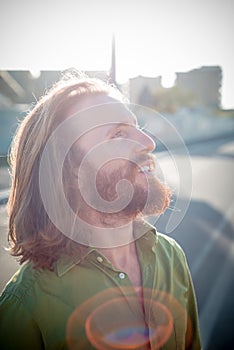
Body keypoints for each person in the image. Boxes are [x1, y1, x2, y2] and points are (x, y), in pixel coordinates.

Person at [0, 72, 201, 349]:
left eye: (135, 126)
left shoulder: (172, 256)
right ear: (69, 170)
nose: (148, 142)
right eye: (118, 134)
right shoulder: (27, 303)